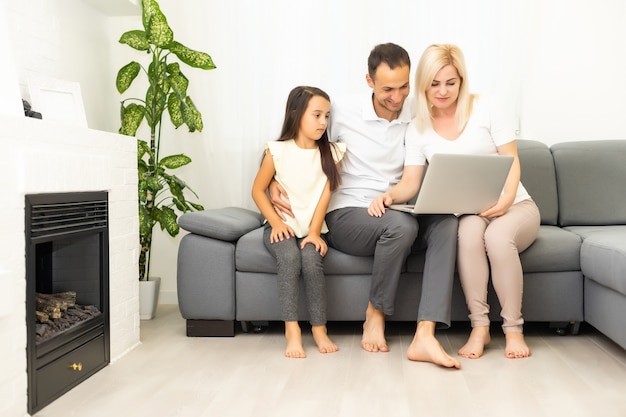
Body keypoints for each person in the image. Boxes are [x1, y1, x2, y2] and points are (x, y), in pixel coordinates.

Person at [270, 44, 461, 369]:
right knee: (401, 227)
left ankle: (426, 332)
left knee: (447, 223)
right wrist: (275, 178)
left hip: (399, 205)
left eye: (403, 87)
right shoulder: (342, 111)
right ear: (369, 81)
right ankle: (375, 313)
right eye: (388, 89)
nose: (398, 97)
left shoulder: (419, 110)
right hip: (348, 212)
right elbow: (299, 139)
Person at [406, 43, 541, 359]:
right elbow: (410, 182)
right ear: (422, 85)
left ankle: (513, 330)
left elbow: (512, 160)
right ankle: (480, 328)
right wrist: (389, 197)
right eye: (434, 84)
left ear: (462, 81)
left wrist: (506, 199)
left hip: (517, 205)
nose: (443, 91)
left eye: (450, 83)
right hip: (471, 212)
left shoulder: (488, 107)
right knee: (466, 235)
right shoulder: (417, 128)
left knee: (496, 237)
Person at [251, 86, 346, 358]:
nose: (323, 123)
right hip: (280, 225)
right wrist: (277, 224)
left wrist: (315, 232)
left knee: (311, 259)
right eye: (316, 115)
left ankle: (319, 329)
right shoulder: (277, 151)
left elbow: (324, 197)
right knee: (290, 259)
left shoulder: (332, 153)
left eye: (327, 116)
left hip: (313, 228)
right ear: (296, 114)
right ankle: (292, 330)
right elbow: (257, 190)